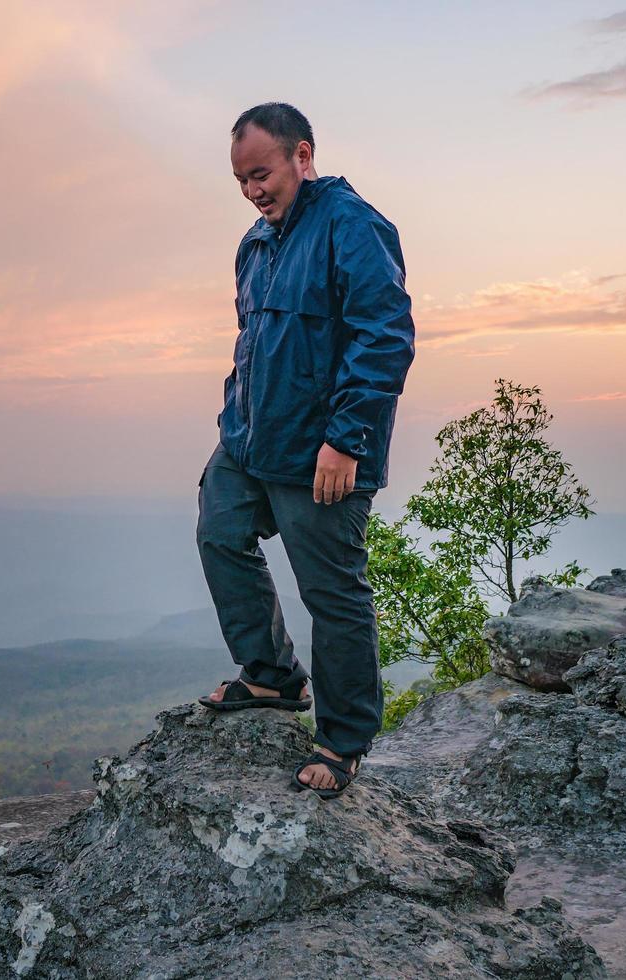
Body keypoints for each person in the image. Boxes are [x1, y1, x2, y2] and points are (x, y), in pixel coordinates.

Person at [195, 102, 416, 799]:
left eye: (261, 174)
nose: (252, 191)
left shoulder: (351, 226)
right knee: (220, 533)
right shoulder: (254, 245)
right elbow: (251, 343)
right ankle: (270, 675)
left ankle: (344, 738)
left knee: (331, 591)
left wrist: (345, 441)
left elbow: (383, 337)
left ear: (302, 155)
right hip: (250, 439)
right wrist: (234, 420)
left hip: (322, 451)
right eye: (240, 180)